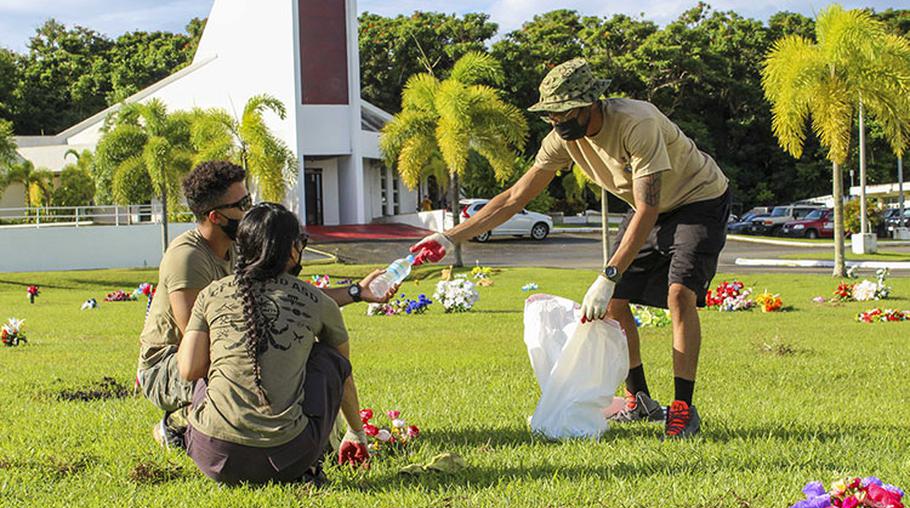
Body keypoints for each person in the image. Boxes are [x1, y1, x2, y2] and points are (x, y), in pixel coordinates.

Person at [410, 58, 731, 439]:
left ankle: (682, 408)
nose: (555, 122)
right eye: (549, 114)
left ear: (589, 103)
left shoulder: (636, 123)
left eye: (562, 112)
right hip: (649, 208)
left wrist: (609, 274)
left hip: (699, 200)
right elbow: (514, 197)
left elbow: (647, 207)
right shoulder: (561, 139)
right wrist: (450, 237)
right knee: (615, 303)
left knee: (680, 294)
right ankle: (639, 398)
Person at [137, 161, 397, 448]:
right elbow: (198, 343)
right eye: (242, 204)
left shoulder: (239, 244)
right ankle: (180, 423)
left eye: (250, 200)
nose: (250, 210)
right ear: (216, 216)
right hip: (170, 365)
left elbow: (292, 297)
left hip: (215, 352)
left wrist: (356, 291)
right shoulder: (187, 258)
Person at [177, 203, 370, 484]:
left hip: (212, 454)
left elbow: (190, 369)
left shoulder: (212, 293)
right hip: (288, 457)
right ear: (293, 249)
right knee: (328, 358)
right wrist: (356, 432)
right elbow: (344, 375)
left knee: (209, 361)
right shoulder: (318, 302)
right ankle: (313, 463)